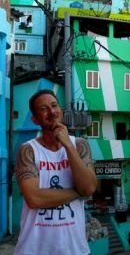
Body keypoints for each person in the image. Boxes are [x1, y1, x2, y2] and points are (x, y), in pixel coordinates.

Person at [14, 90, 97, 255]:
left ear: (61, 110)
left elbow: (88, 188)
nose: (52, 112)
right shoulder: (28, 150)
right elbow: (34, 199)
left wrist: (67, 144)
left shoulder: (80, 145)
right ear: (35, 119)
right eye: (44, 109)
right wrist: (78, 192)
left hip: (75, 249)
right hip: (34, 249)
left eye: (54, 106)